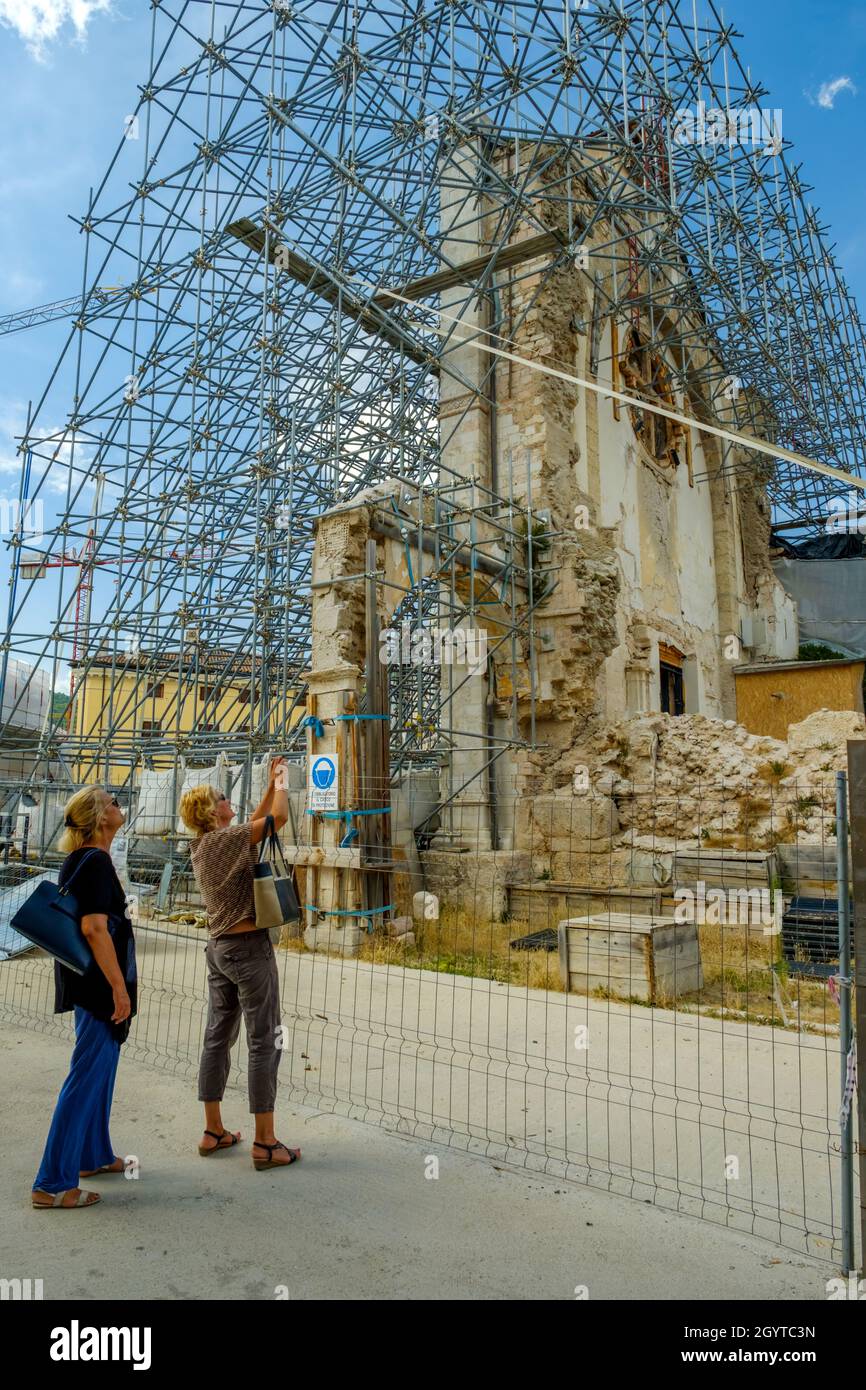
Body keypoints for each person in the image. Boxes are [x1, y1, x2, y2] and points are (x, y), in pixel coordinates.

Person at [179, 757, 301, 1171]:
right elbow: (277, 819)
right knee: (264, 1038)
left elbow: (255, 819)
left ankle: (213, 1130)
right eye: (222, 797)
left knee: (217, 1036)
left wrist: (268, 785)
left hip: (218, 948)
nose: (229, 800)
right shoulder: (224, 841)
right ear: (212, 811)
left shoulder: (207, 844)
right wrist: (283, 783)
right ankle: (265, 1142)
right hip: (248, 948)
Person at [31, 786, 137, 1210]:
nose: (118, 805)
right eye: (111, 801)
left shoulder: (89, 861)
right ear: (98, 817)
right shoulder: (93, 863)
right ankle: (52, 1183)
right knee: (85, 1077)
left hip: (92, 984)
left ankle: (92, 1154)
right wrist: (117, 986)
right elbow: (94, 928)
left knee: (101, 1071)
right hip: (98, 988)